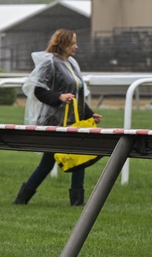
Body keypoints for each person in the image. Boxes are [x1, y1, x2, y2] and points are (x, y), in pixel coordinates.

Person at [14, 29, 102, 207]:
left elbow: (76, 96)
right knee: (48, 163)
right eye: (72, 44)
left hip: (71, 121)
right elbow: (38, 91)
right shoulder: (49, 63)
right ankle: (22, 198)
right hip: (53, 122)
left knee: (78, 156)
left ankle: (76, 202)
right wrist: (59, 97)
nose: (76, 47)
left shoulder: (71, 63)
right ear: (62, 44)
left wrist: (89, 114)